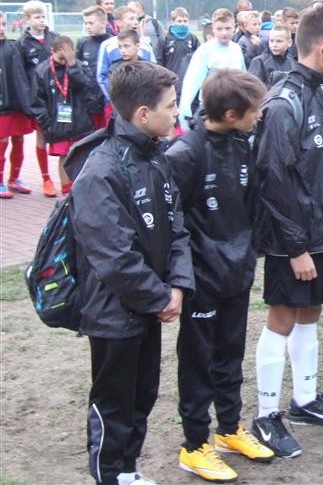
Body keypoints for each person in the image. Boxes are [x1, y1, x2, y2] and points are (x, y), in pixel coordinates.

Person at [69, 61, 194, 485]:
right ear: (143, 114)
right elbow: (114, 256)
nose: (176, 113)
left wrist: (178, 285)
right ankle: (109, 474)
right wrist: (159, 297)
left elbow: (178, 227)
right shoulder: (100, 171)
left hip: (150, 305)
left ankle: (127, 469)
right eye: (170, 106)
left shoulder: (156, 158)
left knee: (143, 394)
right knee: (115, 401)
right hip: (114, 312)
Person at [252, 5, 323, 460]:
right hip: (292, 241)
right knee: (281, 317)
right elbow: (273, 180)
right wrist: (295, 247)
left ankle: (306, 399)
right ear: (322, 47)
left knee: (310, 313)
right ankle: (266, 415)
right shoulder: (283, 103)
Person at [165, 70, 274, 482]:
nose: (258, 117)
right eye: (254, 111)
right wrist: (185, 275)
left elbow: (249, 208)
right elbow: (172, 223)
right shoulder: (185, 154)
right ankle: (195, 445)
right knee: (198, 363)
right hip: (202, 280)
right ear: (230, 114)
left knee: (230, 354)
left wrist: (247, 256)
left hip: (237, 273)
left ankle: (229, 429)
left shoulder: (243, 144)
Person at [31, 36, 102, 196]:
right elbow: (37, 101)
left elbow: (86, 86)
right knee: (64, 157)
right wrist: (48, 123)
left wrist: (72, 66)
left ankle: (81, 191)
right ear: (52, 52)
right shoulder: (42, 71)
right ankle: (66, 193)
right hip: (57, 123)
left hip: (80, 122)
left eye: (67, 58)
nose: (64, 62)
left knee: (81, 156)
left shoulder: (79, 66)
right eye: (60, 58)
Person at [17, 0, 60, 196]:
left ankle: (67, 178)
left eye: (43, 16)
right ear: (27, 19)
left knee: (64, 136)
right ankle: (45, 178)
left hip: (58, 96)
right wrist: (28, 100)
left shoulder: (54, 38)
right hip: (38, 99)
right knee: (41, 136)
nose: (42, 20)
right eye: (37, 17)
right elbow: (20, 75)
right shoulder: (22, 44)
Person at [178, 8, 245, 129]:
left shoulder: (237, 49)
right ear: (213, 28)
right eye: (219, 29)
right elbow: (191, 82)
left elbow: (243, 77)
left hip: (234, 107)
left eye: (228, 28)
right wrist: (185, 111)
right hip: (211, 109)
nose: (224, 33)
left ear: (234, 27)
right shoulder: (205, 51)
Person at [97, 6, 156, 122]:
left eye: (136, 19)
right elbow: (101, 76)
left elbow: (154, 72)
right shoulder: (107, 45)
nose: (135, 22)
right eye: (131, 18)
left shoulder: (145, 45)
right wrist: (114, 99)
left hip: (141, 104)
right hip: (116, 105)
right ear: (118, 22)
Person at [0, 11, 36, 199]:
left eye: (3, 24)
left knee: (19, 139)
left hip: (17, 103)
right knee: (2, 141)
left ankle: (14, 179)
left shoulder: (14, 46)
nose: (1, 29)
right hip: (2, 106)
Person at [159, 7, 201, 100]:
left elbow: (199, 57)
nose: (182, 24)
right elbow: (159, 60)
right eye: (179, 21)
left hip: (189, 79)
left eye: (185, 21)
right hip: (170, 79)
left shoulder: (192, 38)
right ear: (173, 22)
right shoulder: (165, 38)